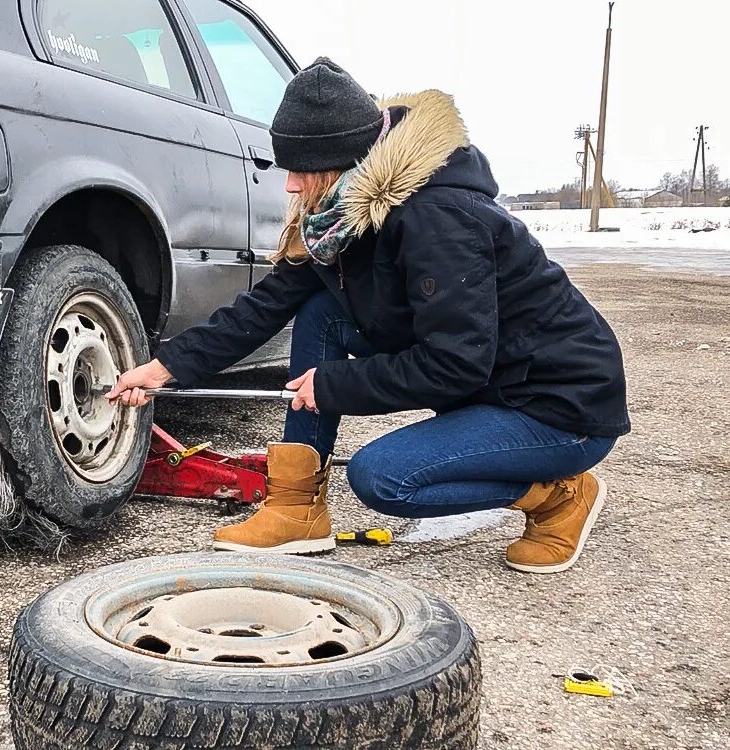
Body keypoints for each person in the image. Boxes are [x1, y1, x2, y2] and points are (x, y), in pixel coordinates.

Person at [106, 59, 629, 573]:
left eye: (300, 169)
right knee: (319, 311)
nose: (290, 186)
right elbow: (267, 303)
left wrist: (336, 384)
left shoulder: (437, 219)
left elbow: (456, 364)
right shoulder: (344, 216)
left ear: (340, 160)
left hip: (559, 406)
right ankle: (296, 507)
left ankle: (558, 494)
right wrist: (166, 368)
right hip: (493, 386)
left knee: (383, 478)